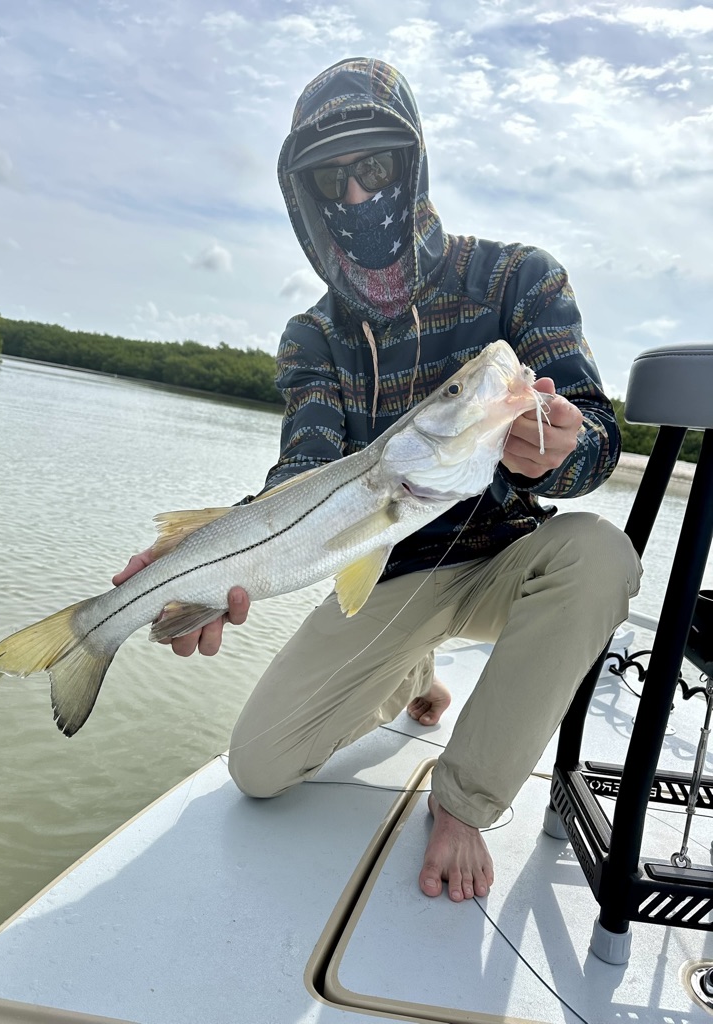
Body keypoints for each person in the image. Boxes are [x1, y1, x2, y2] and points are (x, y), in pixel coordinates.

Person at [114, 57, 642, 903]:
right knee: (258, 767)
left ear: (413, 160)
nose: (357, 198)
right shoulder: (312, 335)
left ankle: (464, 802)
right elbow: (303, 471)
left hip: (509, 555)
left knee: (600, 554)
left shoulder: (517, 278)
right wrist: (201, 566)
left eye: (375, 168)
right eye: (332, 179)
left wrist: (565, 449)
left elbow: (600, 437)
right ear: (308, 197)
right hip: (385, 567)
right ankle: (409, 672)